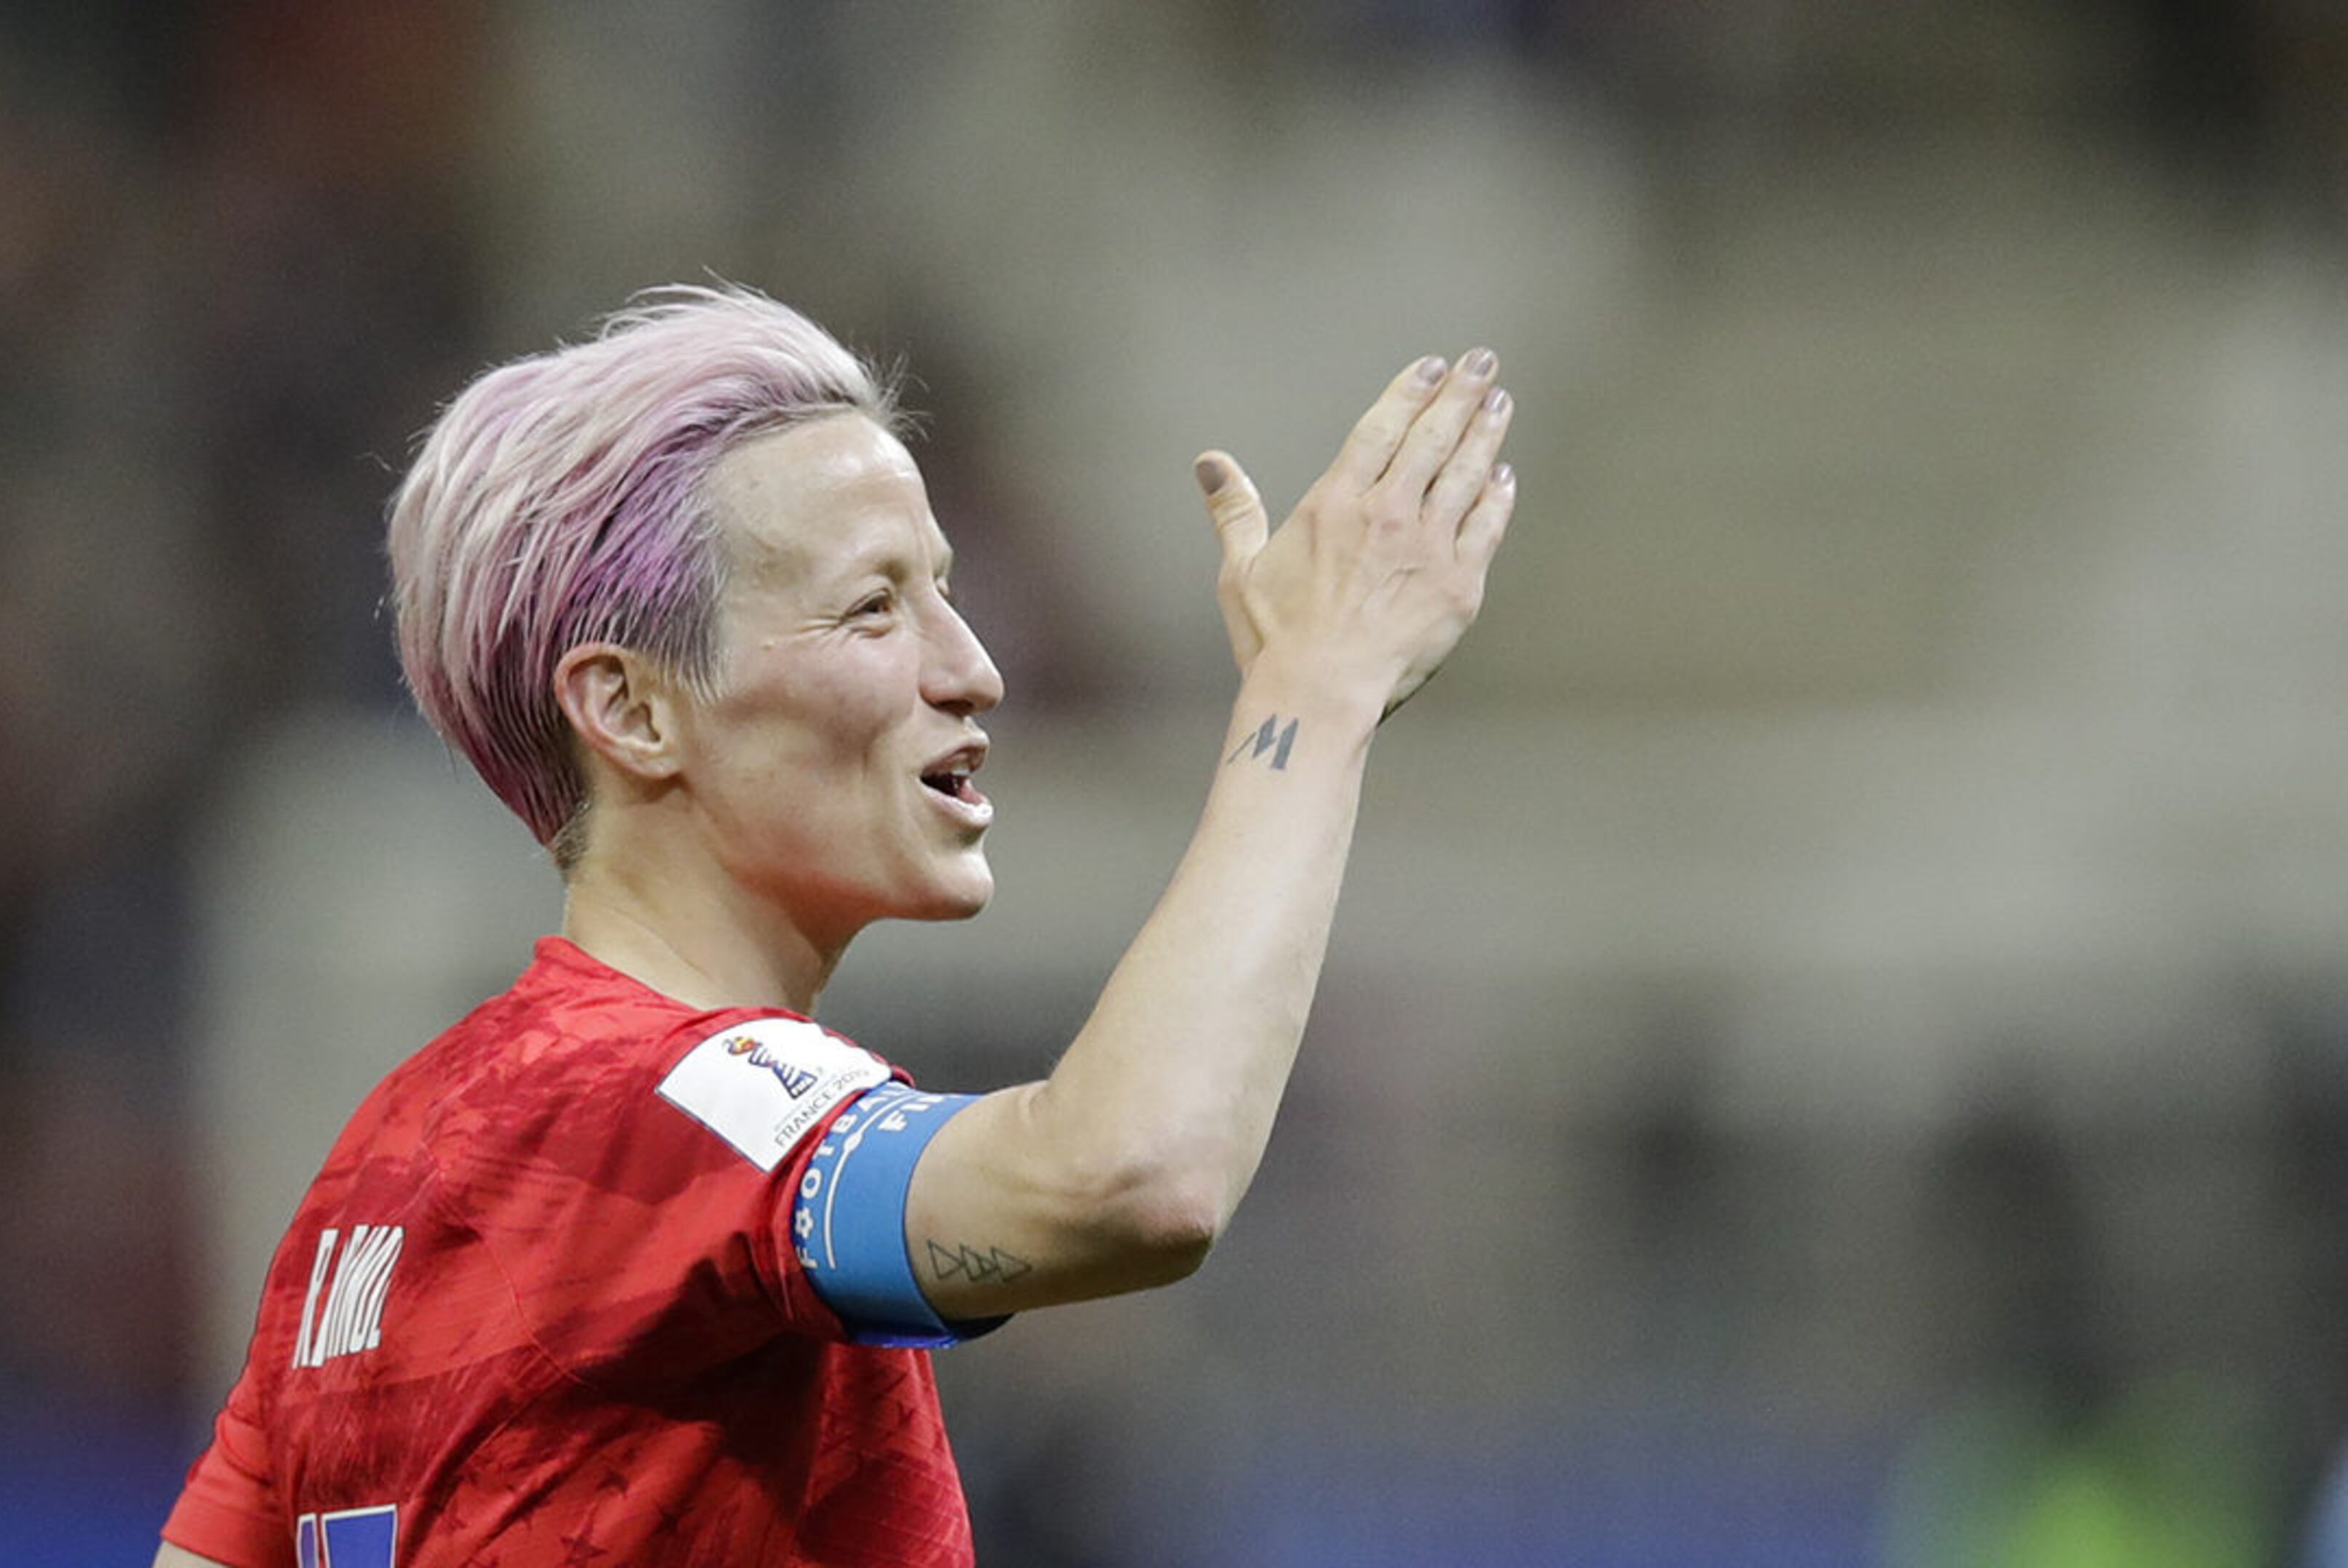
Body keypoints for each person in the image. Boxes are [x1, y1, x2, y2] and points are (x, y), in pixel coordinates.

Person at [155, 285, 1516, 1566]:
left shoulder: (366, 1185)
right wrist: (1316, 694)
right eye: (875, 607)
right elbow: (1129, 1178)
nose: (971, 668)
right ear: (630, 709)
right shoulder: (668, 1102)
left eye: (946, 591)